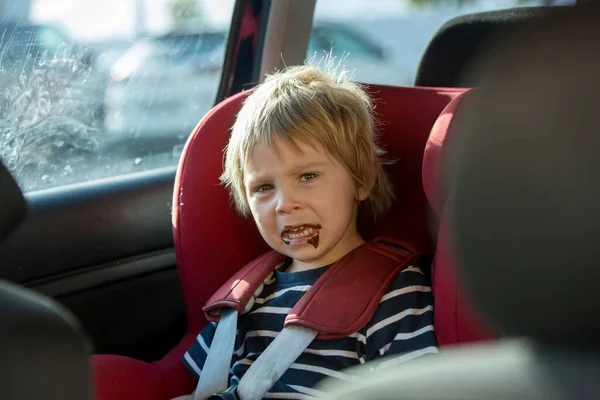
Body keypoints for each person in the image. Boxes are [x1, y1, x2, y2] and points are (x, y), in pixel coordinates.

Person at [173, 64, 437, 400]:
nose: (285, 203)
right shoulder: (246, 297)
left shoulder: (397, 294)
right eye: (264, 187)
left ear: (361, 180)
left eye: (307, 177)